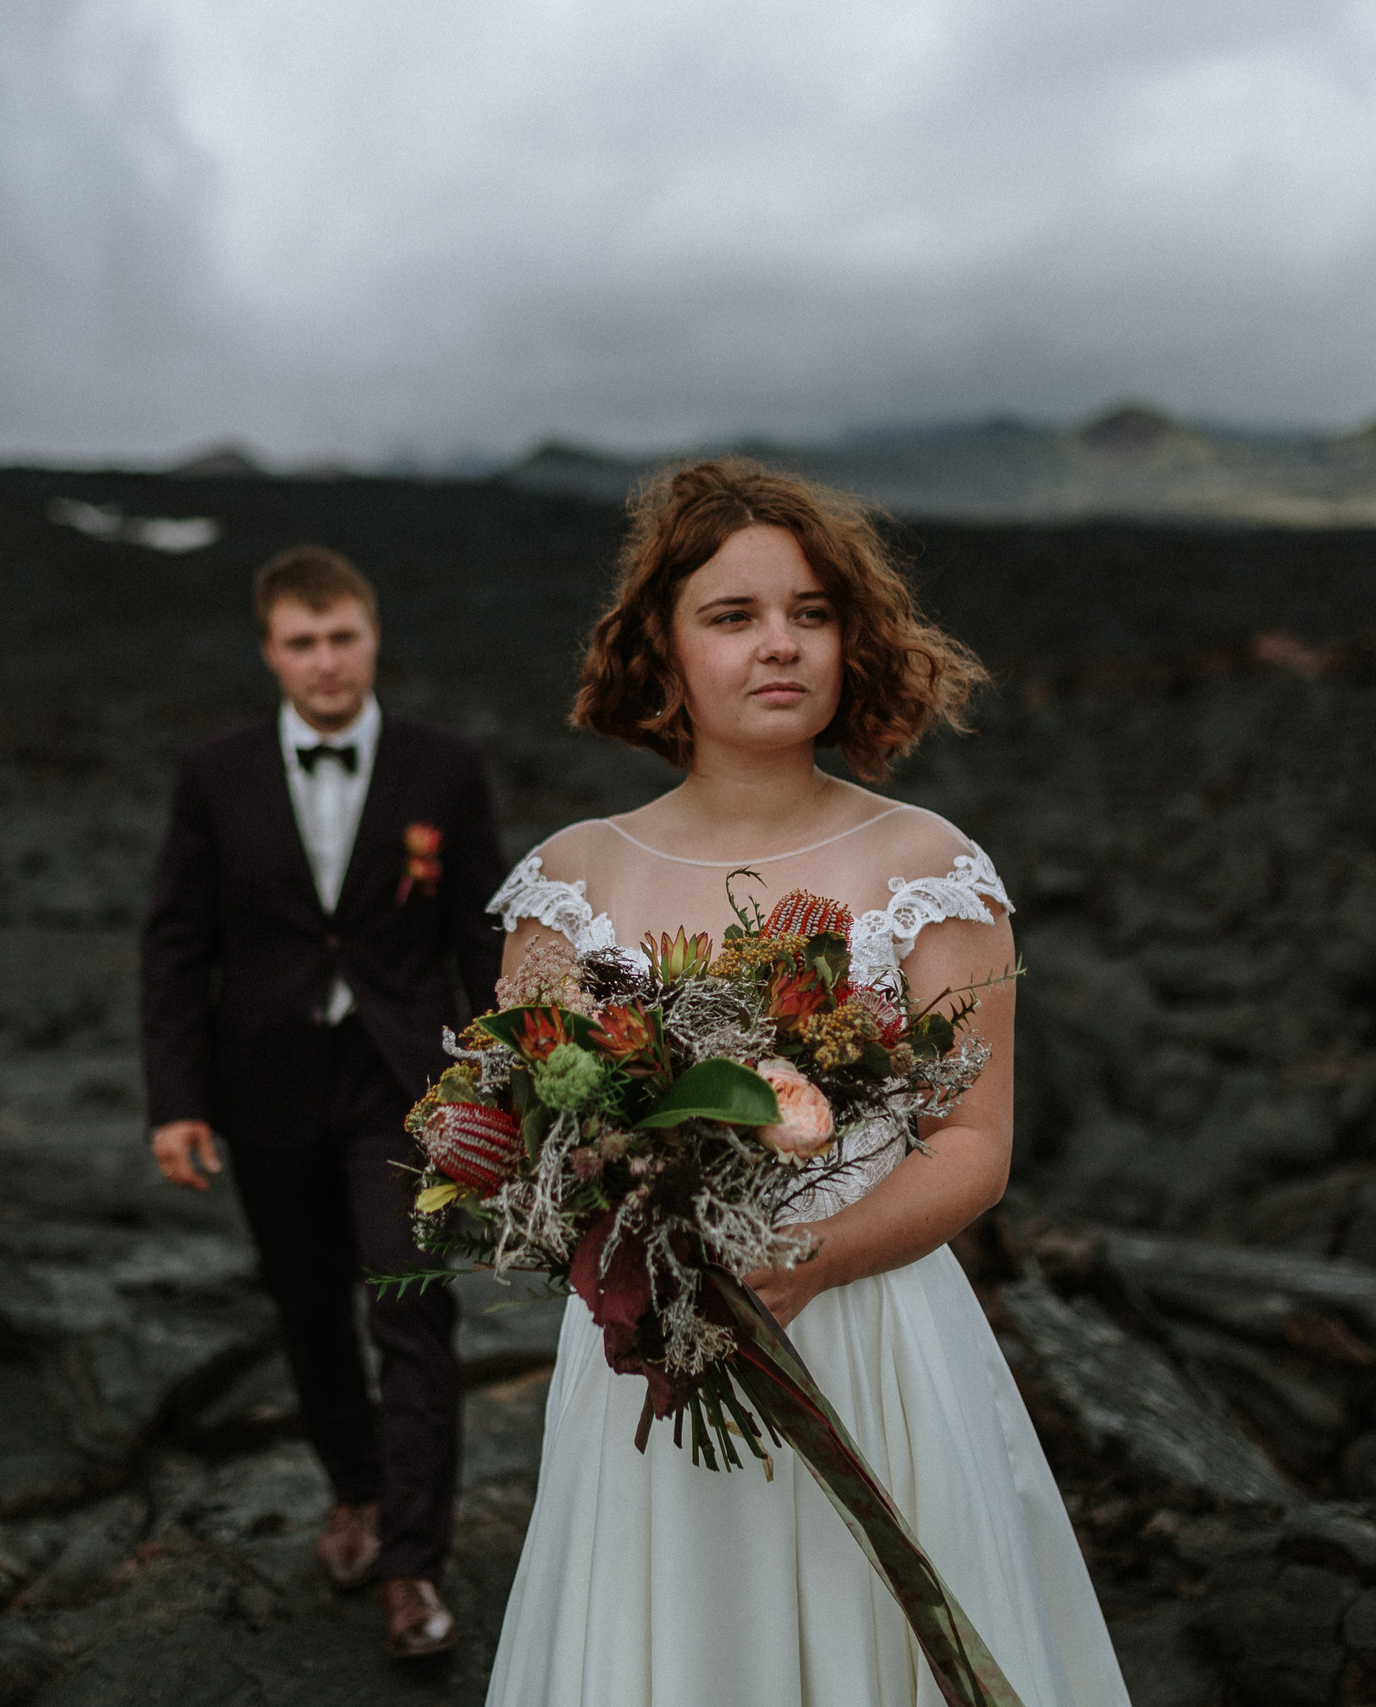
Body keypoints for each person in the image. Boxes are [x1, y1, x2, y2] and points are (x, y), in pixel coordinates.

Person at [483, 461, 1133, 1705]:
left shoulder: (928, 865)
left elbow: (971, 1144)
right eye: (731, 617)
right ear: (661, 652)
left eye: (811, 613)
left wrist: (818, 1255)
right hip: (653, 1351)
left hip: (872, 1337)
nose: (779, 645)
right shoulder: (571, 879)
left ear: (852, 640)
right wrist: (638, 1226)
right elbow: (528, 1140)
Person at [140, 546, 507, 1658]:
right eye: (302, 643)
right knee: (308, 1313)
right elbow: (177, 946)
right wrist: (176, 1099)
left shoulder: (445, 768)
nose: (326, 661)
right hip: (265, 1090)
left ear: (372, 637)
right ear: (270, 653)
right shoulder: (216, 774)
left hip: (400, 1089)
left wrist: (512, 1086)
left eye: (341, 636)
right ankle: (352, 1488)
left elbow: (480, 942)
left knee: (409, 1307)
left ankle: (413, 1566)